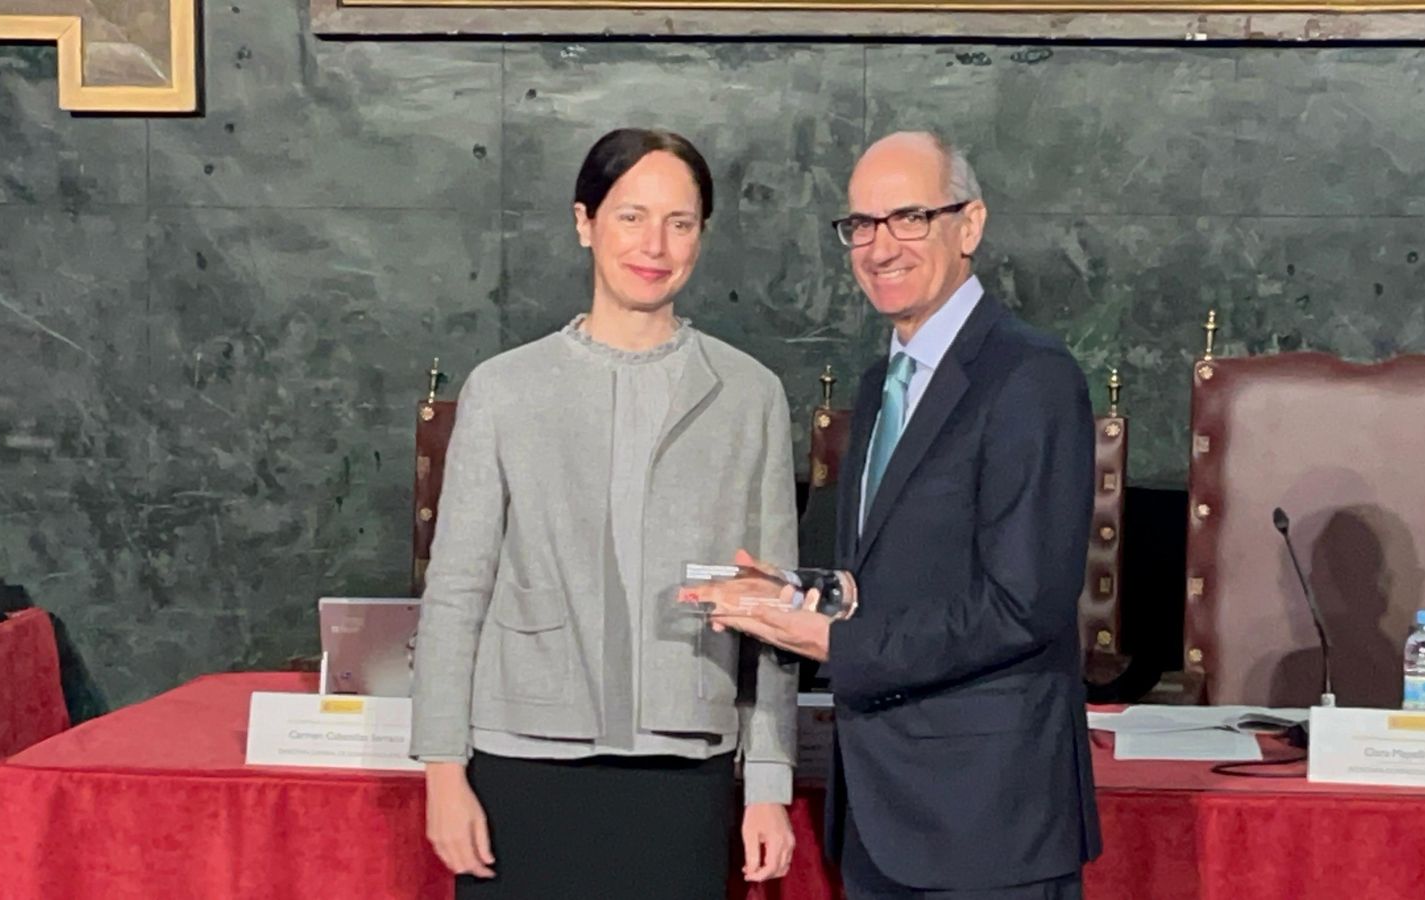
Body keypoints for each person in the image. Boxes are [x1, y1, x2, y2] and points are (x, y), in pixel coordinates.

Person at [700, 131, 1102, 898]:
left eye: (910, 218)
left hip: (987, 822)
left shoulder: (1030, 377)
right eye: (861, 224)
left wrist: (832, 641)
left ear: (969, 225)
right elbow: (895, 577)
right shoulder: (882, 379)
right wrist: (798, 596)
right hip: (881, 812)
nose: (880, 247)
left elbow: (1024, 606)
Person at [410, 127, 799, 900]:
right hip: (520, 763)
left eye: (680, 222)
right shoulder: (504, 389)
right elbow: (456, 591)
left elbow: (773, 608)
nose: (654, 244)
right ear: (585, 222)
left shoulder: (750, 395)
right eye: (631, 216)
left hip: (683, 767)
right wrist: (443, 771)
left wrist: (768, 780)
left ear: (702, 236)